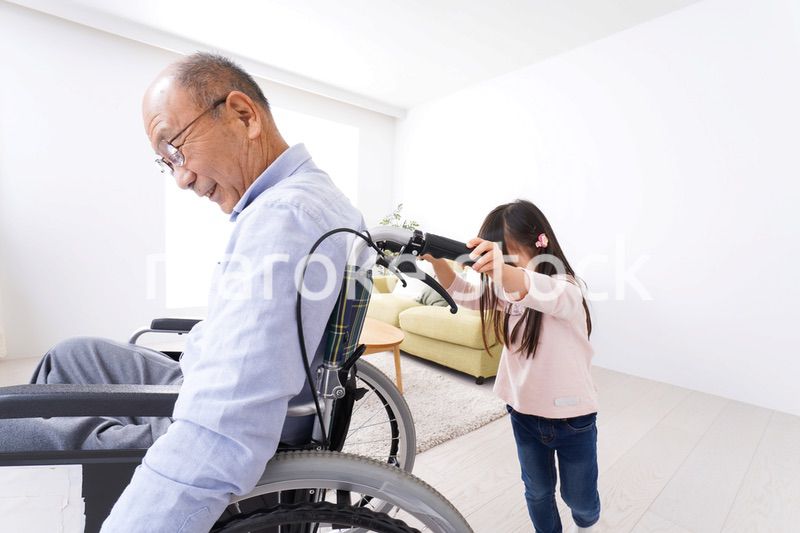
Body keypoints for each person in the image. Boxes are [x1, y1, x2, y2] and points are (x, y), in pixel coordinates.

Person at [0, 53, 365, 532]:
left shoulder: (285, 219)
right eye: (165, 162)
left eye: (176, 149)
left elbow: (224, 429)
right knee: (73, 357)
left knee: (11, 423)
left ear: (243, 115)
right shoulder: (311, 197)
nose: (181, 177)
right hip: (210, 385)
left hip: (218, 427)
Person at [423, 199, 600, 533]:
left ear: (539, 243)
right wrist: (437, 260)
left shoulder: (567, 289)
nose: (497, 268)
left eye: (506, 256)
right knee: (537, 491)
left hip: (573, 419)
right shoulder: (505, 291)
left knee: (580, 499)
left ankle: (586, 523)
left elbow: (537, 288)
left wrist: (504, 271)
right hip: (523, 413)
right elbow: (463, 293)